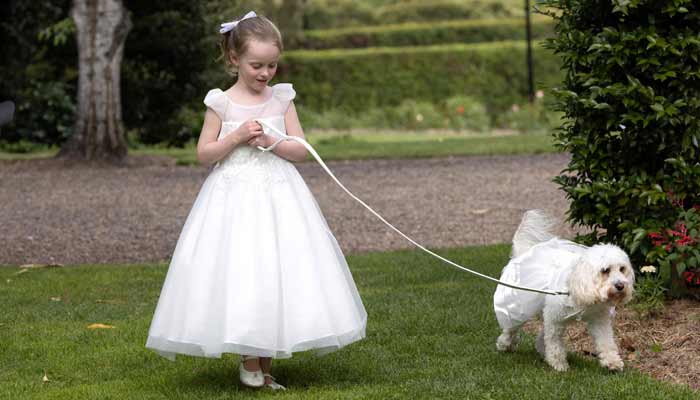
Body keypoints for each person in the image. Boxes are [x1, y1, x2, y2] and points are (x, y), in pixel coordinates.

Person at [145, 11, 367, 391]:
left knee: (278, 269)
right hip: (234, 200)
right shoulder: (221, 104)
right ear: (234, 60)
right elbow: (204, 153)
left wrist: (273, 140)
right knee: (244, 268)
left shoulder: (282, 100)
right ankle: (250, 358)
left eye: (272, 65)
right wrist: (234, 139)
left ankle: (264, 363)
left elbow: (300, 150)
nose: (265, 73)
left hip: (280, 197)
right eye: (256, 65)